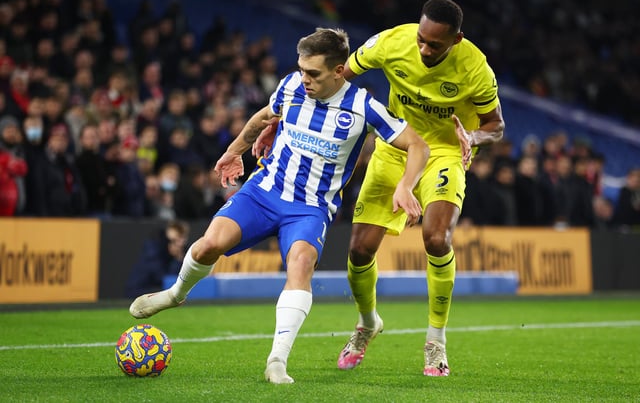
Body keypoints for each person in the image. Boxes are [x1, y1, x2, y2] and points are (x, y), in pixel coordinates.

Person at [129, 28, 429, 384]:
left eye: (313, 74)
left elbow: (418, 146)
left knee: (300, 264)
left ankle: (277, 361)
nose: (305, 80)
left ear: (338, 71)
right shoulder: (290, 86)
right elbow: (263, 117)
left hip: (310, 208)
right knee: (209, 243)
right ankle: (176, 294)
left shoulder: (363, 106)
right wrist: (234, 151)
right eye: (301, 70)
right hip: (264, 191)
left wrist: (406, 186)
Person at [254, 0, 505, 377]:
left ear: (456, 40)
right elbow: (334, 78)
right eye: (421, 38)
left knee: (437, 239)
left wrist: (471, 135)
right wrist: (284, 120)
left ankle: (436, 340)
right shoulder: (390, 42)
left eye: (434, 45)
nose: (423, 48)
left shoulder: (475, 68)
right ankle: (367, 323)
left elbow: (496, 127)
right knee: (359, 251)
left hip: (443, 153)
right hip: (393, 150)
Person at [125, 219, 189, 298]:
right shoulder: (153, 250)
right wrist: (177, 260)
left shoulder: (182, 252)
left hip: (156, 291)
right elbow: (164, 280)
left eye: (182, 239)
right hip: (139, 292)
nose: (179, 244)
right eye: (174, 240)